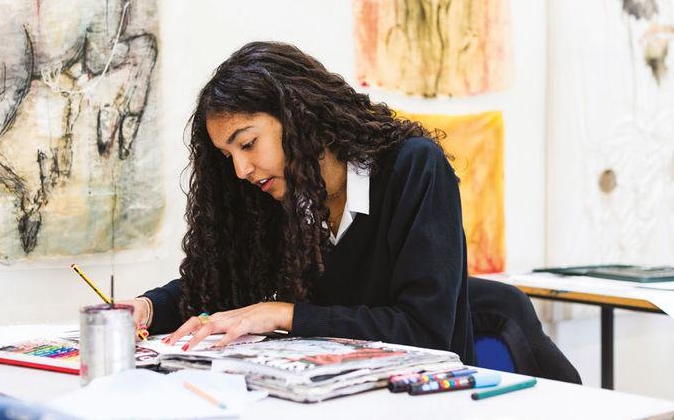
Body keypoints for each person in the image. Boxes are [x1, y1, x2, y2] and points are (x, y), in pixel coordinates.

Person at [123, 41, 474, 362]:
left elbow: (425, 330)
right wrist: (148, 308)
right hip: (332, 396)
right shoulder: (277, 195)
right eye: (228, 156)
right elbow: (220, 286)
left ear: (299, 117)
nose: (241, 170)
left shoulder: (414, 168)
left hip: (426, 396)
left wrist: (284, 314)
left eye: (247, 144)